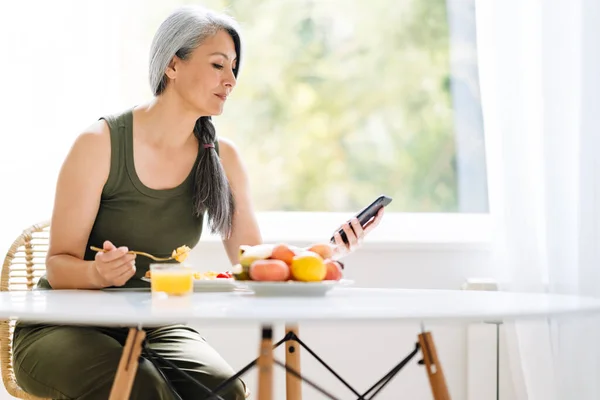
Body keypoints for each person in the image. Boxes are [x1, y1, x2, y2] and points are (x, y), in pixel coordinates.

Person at [12, 5, 384, 400]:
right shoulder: (99, 144)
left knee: (225, 392)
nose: (231, 80)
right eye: (218, 65)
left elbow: (252, 264)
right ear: (173, 65)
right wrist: (97, 275)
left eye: (234, 68)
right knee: (144, 391)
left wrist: (328, 251)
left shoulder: (223, 157)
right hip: (66, 324)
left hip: (157, 323)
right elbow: (58, 265)